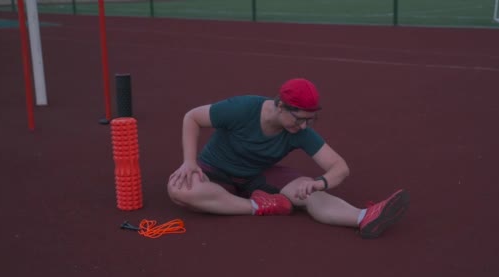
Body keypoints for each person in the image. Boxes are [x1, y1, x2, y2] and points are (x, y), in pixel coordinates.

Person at [167, 78, 409, 238]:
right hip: (215, 170)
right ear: (280, 106)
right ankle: (258, 206)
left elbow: (339, 167)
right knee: (180, 191)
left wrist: (318, 183)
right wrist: (189, 161)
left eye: (309, 120)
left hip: (258, 177)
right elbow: (192, 117)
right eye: (299, 118)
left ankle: (362, 217)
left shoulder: (299, 131)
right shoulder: (242, 108)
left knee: (309, 193)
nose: (304, 126)